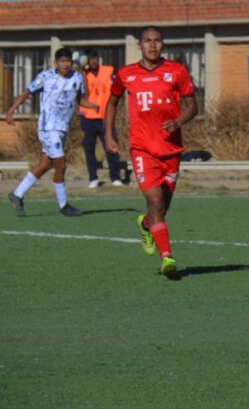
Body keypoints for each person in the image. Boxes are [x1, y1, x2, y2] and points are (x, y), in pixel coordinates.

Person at [105, 27, 198, 280]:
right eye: (148, 41)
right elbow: (112, 102)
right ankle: (167, 258)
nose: (153, 45)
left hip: (171, 149)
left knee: (162, 207)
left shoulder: (176, 71)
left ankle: (146, 225)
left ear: (163, 45)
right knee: (155, 202)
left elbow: (193, 106)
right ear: (140, 45)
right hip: (142, 148)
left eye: (157, 41)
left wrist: (178, 122)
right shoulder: (125, 74)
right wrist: (109, 135)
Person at [6, 47, 99, 217]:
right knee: (61, 163)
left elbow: (79, 100)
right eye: (62, 61)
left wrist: (92, 105)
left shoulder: (77, 78)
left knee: (45, 164)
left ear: (72, 62)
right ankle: (63, 205)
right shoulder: (45, 77)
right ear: (56, 63)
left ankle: (17, 194)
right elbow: (26, 93)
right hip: (48, 126)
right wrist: (11, 111)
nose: (65, 64)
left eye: (68, 61)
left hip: (63, 127)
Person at [80, 49, 124, 188]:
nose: (93, 61)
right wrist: (80, 71)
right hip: (88, 117)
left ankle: (115, 177)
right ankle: (93, 178)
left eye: (95, 58)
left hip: (106, 117)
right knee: (89, 148)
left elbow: (119, 76)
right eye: (90, 59)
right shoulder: (82, 74)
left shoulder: (108, 70)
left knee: (111, 147)